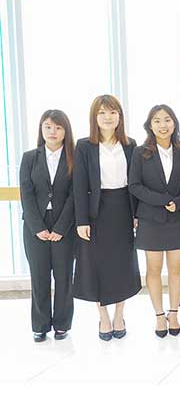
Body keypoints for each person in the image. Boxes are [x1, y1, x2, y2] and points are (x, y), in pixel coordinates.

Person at [73, 95, 141, 341]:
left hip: (123, 208)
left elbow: (136, 183)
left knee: (123, 263)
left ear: (120, 116)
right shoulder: (84, 146)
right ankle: (103, 316)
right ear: (94, 117)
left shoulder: (131, 145)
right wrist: (82, 220)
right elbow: (79, 186)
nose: (107, 117)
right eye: (102, 112)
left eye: (112, 112)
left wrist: (137, 214)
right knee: (97, 263)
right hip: (96, 211)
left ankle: (120, 314)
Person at [129, 104, 180, 338]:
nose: (162, 125)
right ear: (150, 125)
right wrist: (164, 200)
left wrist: (179, 202)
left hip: (176, 218)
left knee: (175, 269)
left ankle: (173, 314)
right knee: (153, 270)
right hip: (150, 219)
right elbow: (134, 186)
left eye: (167, 120)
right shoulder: (140, 153)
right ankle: (159, 316)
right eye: (157, 120)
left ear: (174, 124)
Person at [20, 110, 76, 342]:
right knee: (39, 276)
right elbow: (26, 194)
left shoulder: (74, 158)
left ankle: (62, 324)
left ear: (66, 131)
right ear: (41, 129)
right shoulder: (29, 158)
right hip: (36, 226)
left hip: (65, 225)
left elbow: (75, 195)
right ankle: (40, 325)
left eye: (58, 127)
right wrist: (37, 227)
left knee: (64, 276)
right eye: (48, 127)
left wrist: (61, 227)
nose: (53, 131)